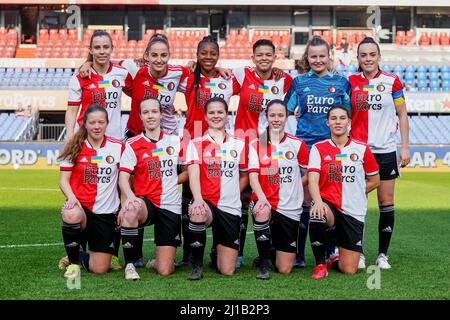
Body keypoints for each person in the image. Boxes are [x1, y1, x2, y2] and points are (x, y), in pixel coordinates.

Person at [284, 35, 350, 268]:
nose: (318, 60)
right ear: (307, 58)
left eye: (322, 56)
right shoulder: (299, 82)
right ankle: (299, 255)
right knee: (305, 201)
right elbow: (285, 110)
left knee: (330, 199)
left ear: (329, 57)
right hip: (306, 150)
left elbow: (348, 113)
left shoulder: (341, 82)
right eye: (313, 56)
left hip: (332, 151)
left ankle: (331, 252)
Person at [177, 36, 240, 267]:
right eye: (204, 52)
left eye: (213, 53)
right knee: (189, 196)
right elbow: (160, 71)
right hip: (193, 141)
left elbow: (258, 80)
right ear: (197, 54)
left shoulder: (228, 79)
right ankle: (188, 254)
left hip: (220, 144)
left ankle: (218, 249)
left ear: (219, 55)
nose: (208, 57)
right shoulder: (187, 77)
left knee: (221, 191)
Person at [349, 37, 410, 269]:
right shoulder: (351, 82)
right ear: (358, 58)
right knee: (357, 202)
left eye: (372, 54)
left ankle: (382, 255)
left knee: (386, 201)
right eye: (363, 55)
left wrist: (404, 147)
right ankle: (359, 252)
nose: (368, 59)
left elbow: (402, 114)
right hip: (359, 152)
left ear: (379, 57)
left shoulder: (392, 82)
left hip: (385, 150)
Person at [232, 39, 293, 268]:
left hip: (270, 145)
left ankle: (272, 249)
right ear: (253, 57)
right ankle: (235, 250)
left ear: (275, 57)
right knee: (242, 199)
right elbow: (217, 78)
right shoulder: (241, 75)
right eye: (260, 54)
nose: (264, 58)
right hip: (245, 144)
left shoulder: (285, 79)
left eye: (268, 54)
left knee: (270, 193)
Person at [307, 106, 380, 279]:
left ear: (349, 122)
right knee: (317, 214)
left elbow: (375, 180)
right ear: (327, 122)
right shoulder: (318, 148)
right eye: (333, 118)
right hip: (329, 205)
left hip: (353, 209)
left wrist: (355, 192)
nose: (338, 122)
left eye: (342, 118)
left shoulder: (362, 149)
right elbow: (312, 180)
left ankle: (334, 258)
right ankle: (320, 265)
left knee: (349, 269)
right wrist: (317, 202)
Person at [118, 98, 185, 280]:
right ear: (140, 116)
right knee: (131, 210)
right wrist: (131, 197)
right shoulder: (133, 144)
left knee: (165, 270)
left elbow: (189, 172)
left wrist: (172, 180)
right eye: (145, 112)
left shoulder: (175, 141)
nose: (150, 116)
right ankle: (130, 265)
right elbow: (123, 177)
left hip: (170, 205)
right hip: (145, 203)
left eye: (154, 111)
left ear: (161, 114)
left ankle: (158, 261)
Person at [185, 97, 248, 280]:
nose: (216, 115)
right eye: (211, 112)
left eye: (220, 112)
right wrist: (198, 199)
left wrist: (234, 191)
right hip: (207, 204)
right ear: (205, 116)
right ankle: (196, 266)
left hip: (230, 207)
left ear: (226, 115)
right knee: (197, 213)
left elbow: (244, 175)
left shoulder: (240, 144)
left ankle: (216, 252)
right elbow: (193, 175)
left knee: (227, 270)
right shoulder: (195, 143)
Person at [58, 105, 124, 279]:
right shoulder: (74, 146)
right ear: (85, 124)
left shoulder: (118, 147)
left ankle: (78, 254)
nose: (97, 126)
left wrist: (123, 205)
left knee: (100, 269)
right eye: (92, 122)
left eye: (101, 122)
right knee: (71, 213)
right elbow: (63, 180)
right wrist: (72, 199)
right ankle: (73, 265)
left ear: (107, 124)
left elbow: (124, 180)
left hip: (105, 213)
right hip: (82, 210)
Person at [248, 100, 309, 280]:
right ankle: (264, 264)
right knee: (262, 211)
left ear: (287, 117)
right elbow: (252, 177)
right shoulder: (256, 143)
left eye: (280, 115)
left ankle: (272, 250)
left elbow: (309, 174)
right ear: (266, 117)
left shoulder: (297, 144)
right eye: (272, 115)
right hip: (264, 201)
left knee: (284, 269)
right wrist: (261, 198)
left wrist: (296, 185)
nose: (276, 119)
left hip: (289, 206)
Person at [66, 30, 131, 141]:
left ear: (112, 49)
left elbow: (137, 94)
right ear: (91, 50)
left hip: (114, 139)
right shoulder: (79, 77)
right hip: (85, 139)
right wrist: (70, 137)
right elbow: (72, 111)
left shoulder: (122, 73)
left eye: (106, 47)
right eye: (97, 48)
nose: (102, 51)